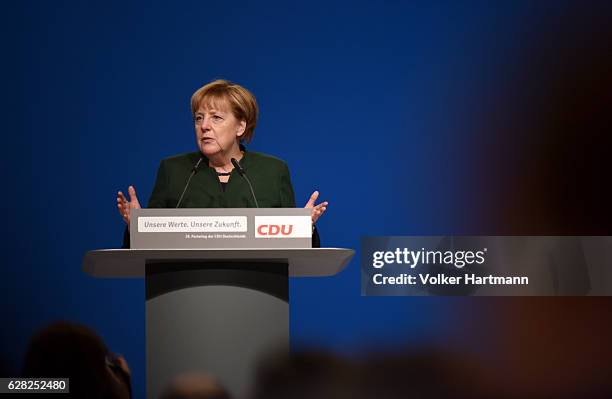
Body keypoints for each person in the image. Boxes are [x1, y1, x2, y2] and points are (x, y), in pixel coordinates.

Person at [117, 79, 326, 247]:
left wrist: (304, 227)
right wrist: (136, 227)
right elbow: (148, 247)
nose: (204, 126)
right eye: (198, 118)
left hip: (258, 290)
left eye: (216, 117)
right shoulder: (173, 170)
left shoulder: (272, 171)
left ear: (240, 127)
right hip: (182, 291)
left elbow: (293, 248)